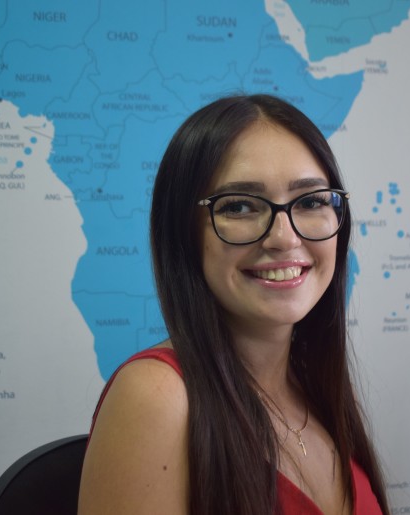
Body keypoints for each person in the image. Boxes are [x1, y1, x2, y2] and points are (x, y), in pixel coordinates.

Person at [78, 94, 389, 515]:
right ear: (185, 233)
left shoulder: (315, 384)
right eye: (239, 206)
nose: (284, 238)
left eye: (311, 201)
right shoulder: (158, 398)